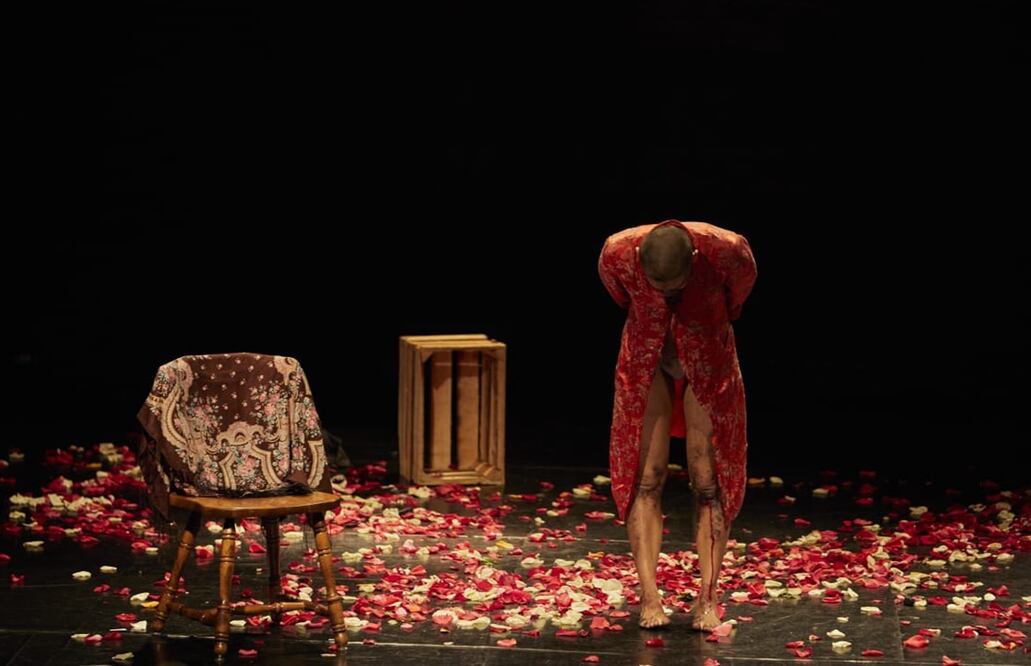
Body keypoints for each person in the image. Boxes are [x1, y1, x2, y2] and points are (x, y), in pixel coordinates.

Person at [598, 220, 756, 630]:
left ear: (695, 260)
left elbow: (737, 295)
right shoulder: (617, 251)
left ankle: (708, 596)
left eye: (675, 285)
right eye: (657, 285)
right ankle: (649, 598)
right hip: (645, 359)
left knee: (708, 483)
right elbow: (619, 295)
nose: (667, 294)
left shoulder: (727, 248)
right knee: (645, 479)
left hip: (707, 354)